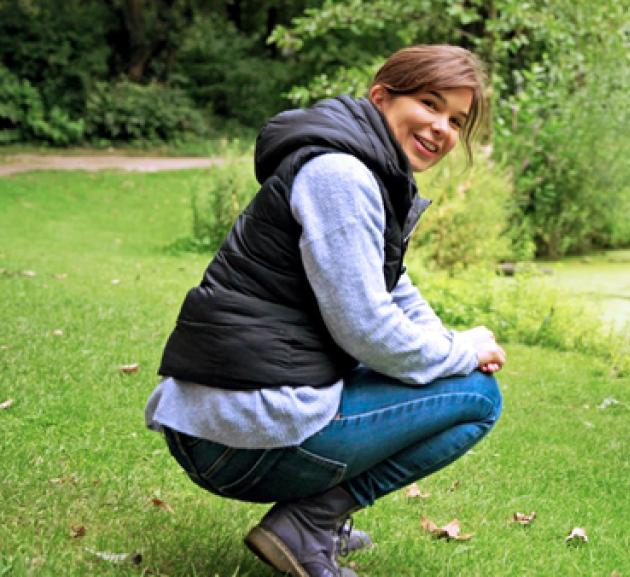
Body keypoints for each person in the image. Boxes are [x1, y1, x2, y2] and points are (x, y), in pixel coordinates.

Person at [145, 45, 505, 577]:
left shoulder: (365, 167)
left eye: (456, 120)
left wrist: (451, 346)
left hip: (226, 420)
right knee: (477, 398)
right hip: (233, 435)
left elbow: (393, 285)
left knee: (454, 375)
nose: (442, 128)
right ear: (381, 97)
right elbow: (366, 329)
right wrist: (462, 353)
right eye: (430, 104)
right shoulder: (341, 175)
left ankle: (311, 520)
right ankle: (308, 523)